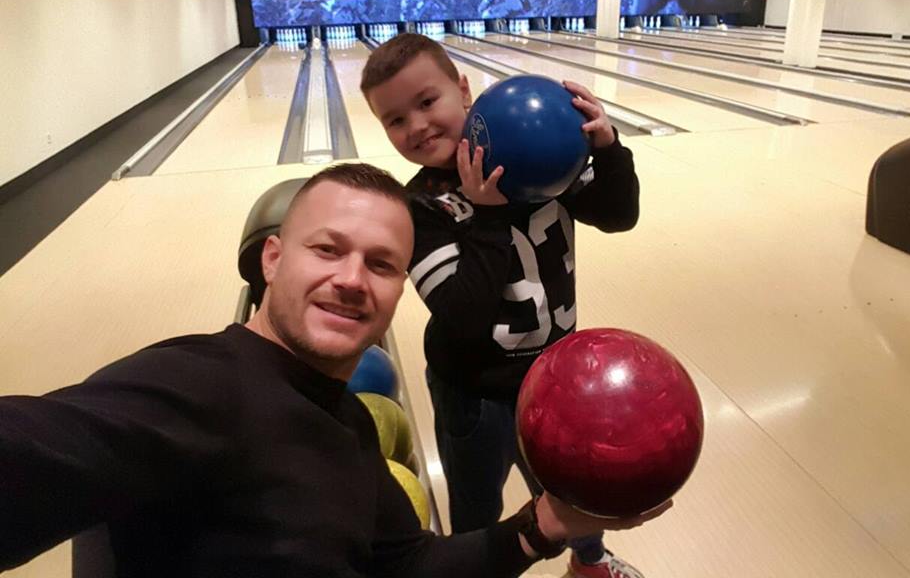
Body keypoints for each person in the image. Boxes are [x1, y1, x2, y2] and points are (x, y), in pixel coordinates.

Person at [0, 162, 666, 578]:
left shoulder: (347, 425)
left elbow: (405, 566)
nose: (352, 279)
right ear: (271, 259)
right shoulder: (197, 386)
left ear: (401, 287)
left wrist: (544, 525)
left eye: (381, 264)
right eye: (327, 249)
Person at [361, 34, 643, 578]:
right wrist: (488, 217)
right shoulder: (419, 207)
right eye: (395, 120)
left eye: (427, 101)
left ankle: (590, 560)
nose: (417, 126)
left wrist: (608, 149)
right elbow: (462, 316)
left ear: (464, 90)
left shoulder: (538, 154)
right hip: (474, 393)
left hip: (557, 377)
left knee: (572, 486)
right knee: (475, 503)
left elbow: (619, 215)